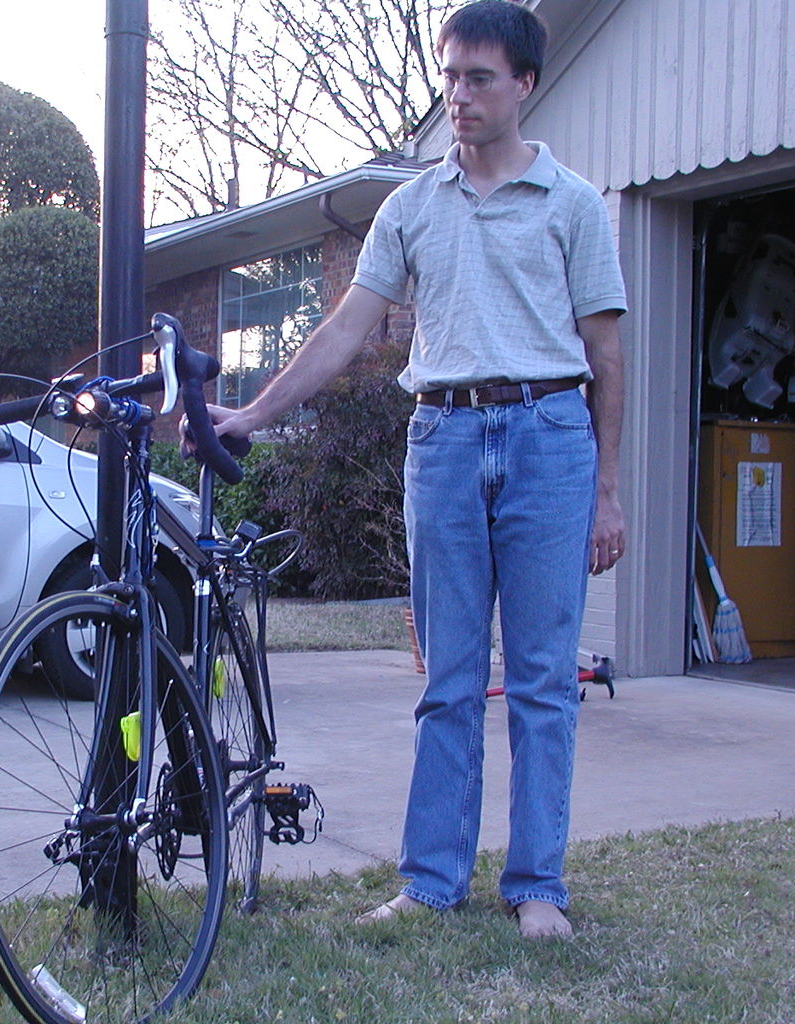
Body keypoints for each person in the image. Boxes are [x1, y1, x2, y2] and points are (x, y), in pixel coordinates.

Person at [199, 0, 626, 939]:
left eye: (479, 78)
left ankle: (537, 886)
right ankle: (431, 881)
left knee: (545, 680)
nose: (459, 96)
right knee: (448, 680)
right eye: (449, 77)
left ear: (523, 84)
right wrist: (256, 410)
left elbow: (606, 354)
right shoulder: (410, 207)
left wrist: (605, 489)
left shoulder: (574, 205)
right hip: (442, 440)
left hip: (551, 440)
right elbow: (345, 327)